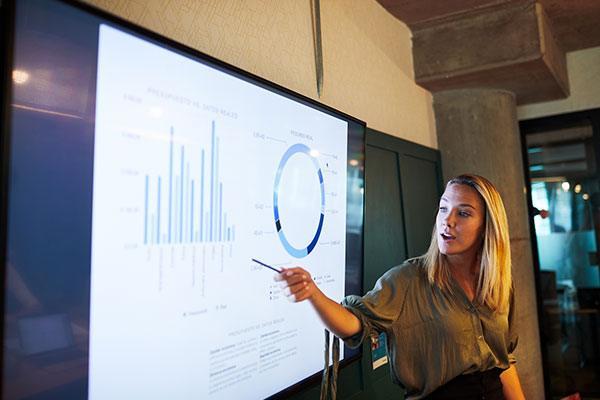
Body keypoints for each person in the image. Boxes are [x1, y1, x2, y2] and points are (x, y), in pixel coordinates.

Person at [277, 174, 526, 399]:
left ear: (487, 227)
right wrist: (313, 294)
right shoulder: (409, 278)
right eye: (443, 209)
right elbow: (354, 324)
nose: (447, 221)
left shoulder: (498, 283)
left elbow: (505, 362)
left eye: (463, 213)